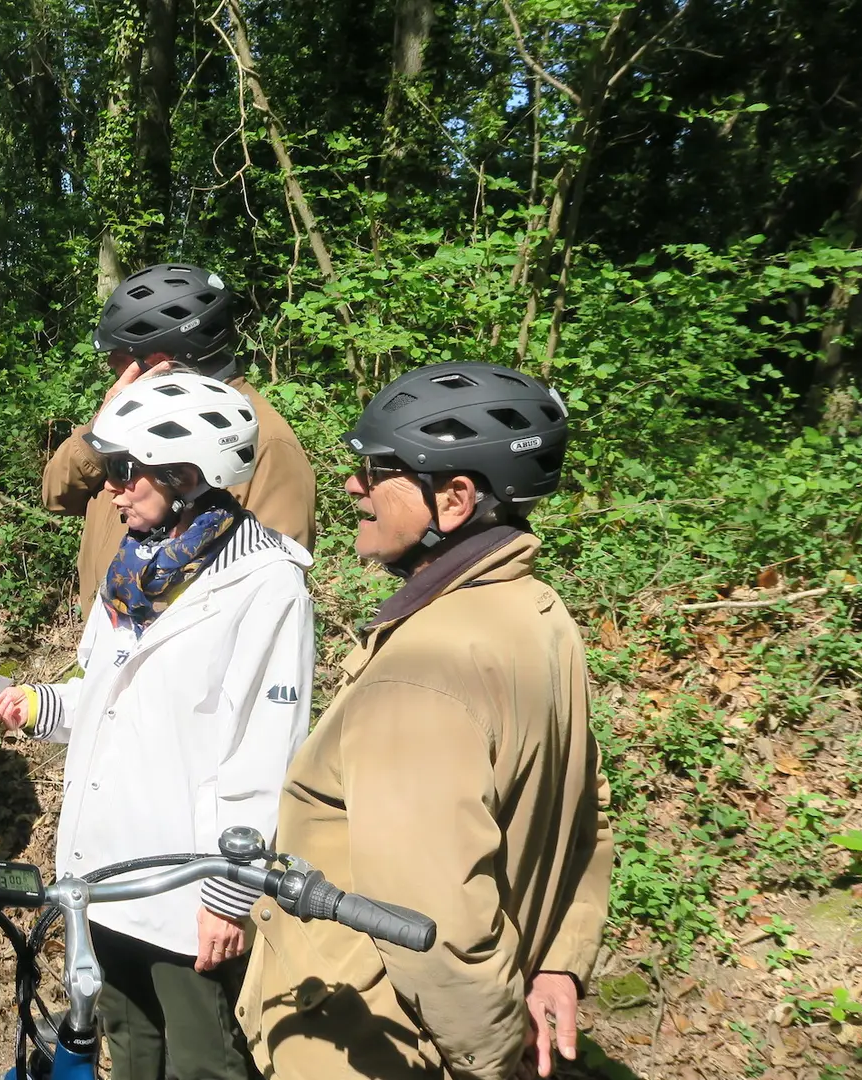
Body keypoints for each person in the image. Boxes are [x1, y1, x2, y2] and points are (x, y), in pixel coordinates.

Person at [236, 361, 613, 1080]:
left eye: (377, 471)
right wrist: (560, 962)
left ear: (456, 498)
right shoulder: (541, 615)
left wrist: (492, 1058)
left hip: (372, 1044)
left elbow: (437, 932)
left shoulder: (423, 676)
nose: (353, 486)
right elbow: (586, 821)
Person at [0, 371, 316, 1080]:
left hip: (188, 888)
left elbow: (265, 757)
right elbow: (108, 694)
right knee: (130, 1050)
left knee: (202, 1062)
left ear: (189, 474)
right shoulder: (135, 567)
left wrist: (229, 896)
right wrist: (44, 706)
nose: (111, 488)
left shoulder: (265, 584)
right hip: (103, 869)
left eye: (125, 471)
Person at [44, 263, 317, 615]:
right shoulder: (134, 415)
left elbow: (265, 598)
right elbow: (56, 495)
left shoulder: (264, 443)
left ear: (160, 363)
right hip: (113, 641)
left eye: (119, 358)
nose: (111, 367)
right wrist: (101, 426)